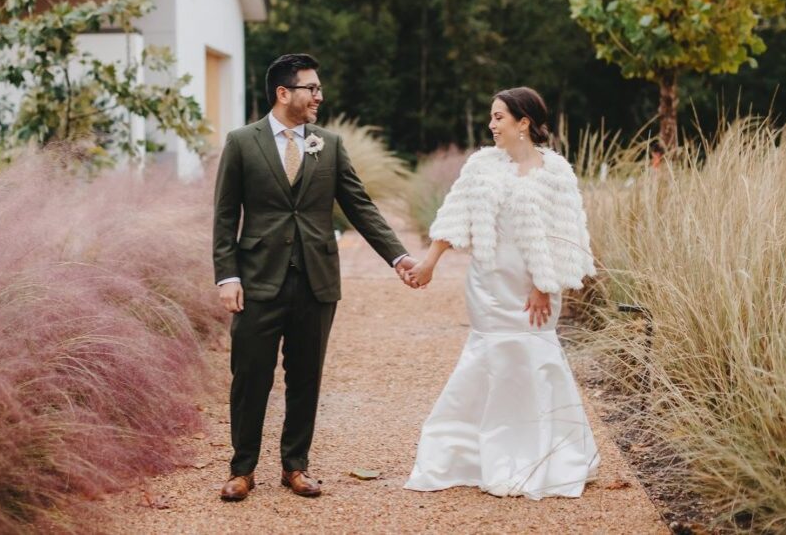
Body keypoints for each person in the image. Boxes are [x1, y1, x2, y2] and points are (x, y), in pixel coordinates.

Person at [213, 53, 419, 501]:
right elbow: (226, 217)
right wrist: (227, 275)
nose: (319, 96)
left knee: (306, 376)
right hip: (258, 278)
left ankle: (295, 466)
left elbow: (360, 206)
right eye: (312, 88)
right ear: (283, 93)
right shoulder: (241, 143)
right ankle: (242, 469)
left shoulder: (329, 143)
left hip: (316, 279)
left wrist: (397, 256)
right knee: (251, 376)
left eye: (319, 89)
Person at [403, 86, 600, 499]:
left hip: (535, 285)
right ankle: (470, 453)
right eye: (491, 117)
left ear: (523, 122)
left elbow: (564, 236)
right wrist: (428, 265)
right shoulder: (481, 167)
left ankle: (544, 454)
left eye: (498, 118)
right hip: (489, 283)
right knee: (488, 356)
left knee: (534, 356)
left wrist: (544, 287)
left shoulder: (556, 172)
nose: (491, 125)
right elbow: (454, 216)